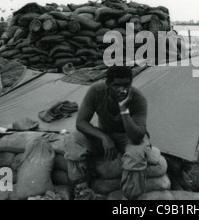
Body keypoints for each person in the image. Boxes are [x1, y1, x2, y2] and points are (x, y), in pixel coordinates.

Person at [64, 65, 150, 200]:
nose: (122, 90)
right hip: (104, 134)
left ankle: (129, 198)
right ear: (108, 84)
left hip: (128, 137)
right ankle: (82, 191)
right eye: (117, 85)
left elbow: (137, 137)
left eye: (127, 85)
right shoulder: (96, 91)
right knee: (73, 140)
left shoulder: (138, 99)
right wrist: (104, 138)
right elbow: (81, 122)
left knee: (136, 155)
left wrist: (124, 109)